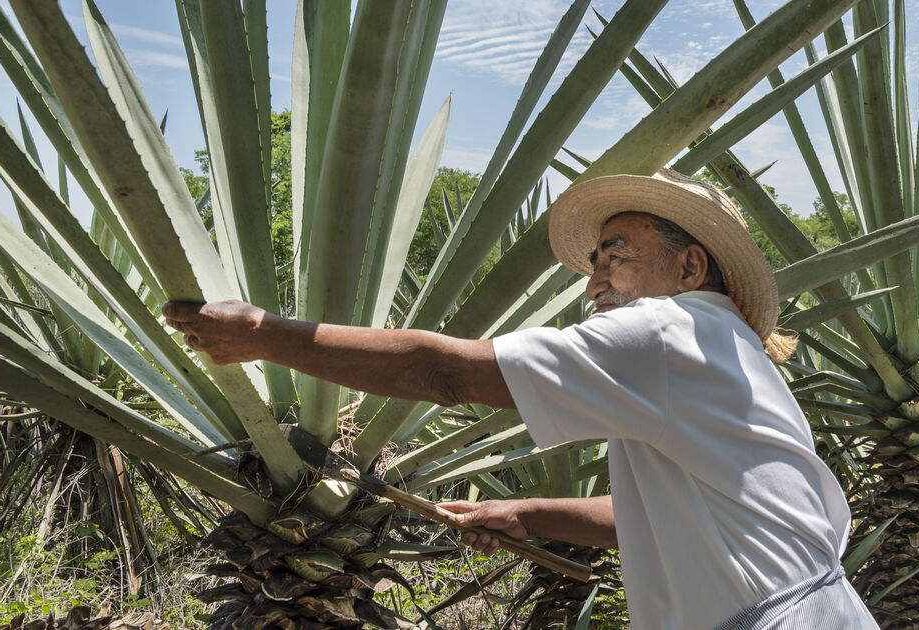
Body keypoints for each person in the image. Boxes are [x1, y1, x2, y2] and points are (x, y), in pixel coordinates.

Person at [164, 169, 878, 629]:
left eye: (616, 253)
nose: (595, 279)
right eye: (593, 261)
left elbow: (449, 375)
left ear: (690, 265)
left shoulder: (669, 332)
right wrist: (528, 513)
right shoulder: (716, 353)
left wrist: (265, 335)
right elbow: (661, 515)